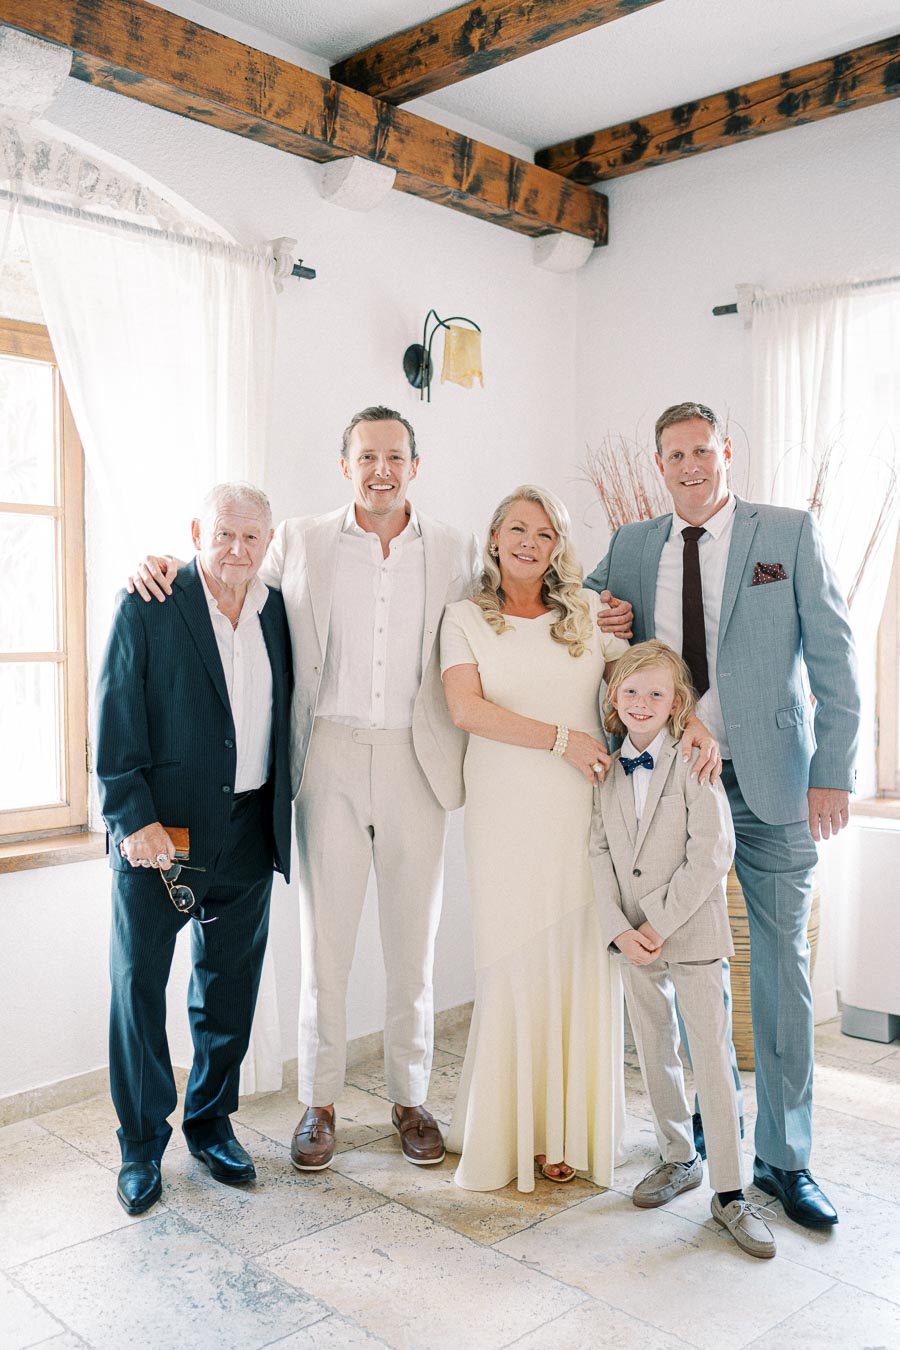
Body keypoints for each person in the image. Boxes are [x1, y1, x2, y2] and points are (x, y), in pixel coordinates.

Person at [128, 408, 491, 1168]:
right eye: (367, 456)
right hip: (324, 752)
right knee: (324, 945)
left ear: (415, 466)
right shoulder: (298, 538)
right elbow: (223, 583)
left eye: (395, 456)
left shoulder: (456, 549)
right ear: (346, 465)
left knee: (412, 945)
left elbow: (509, 608)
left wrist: (599, 606)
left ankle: (409, 1097)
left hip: (415, 759)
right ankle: (318, 1103)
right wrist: (157, 562)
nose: (381, 469)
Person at [585, 402, 860, 1228]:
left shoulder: (789, 533)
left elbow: (838, 657)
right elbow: (588, 605)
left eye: (703, 450)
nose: (691, 466)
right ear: (660, 463)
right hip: (675, 793)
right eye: (676, 455)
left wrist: (833, 771)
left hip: (775, 786)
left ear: (725, 453)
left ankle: (784, 1159)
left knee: (782, 977)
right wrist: (601, 610)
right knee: (681, 974)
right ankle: (699, 1140)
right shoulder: (635, 545)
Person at [440, 487, 716, 1190]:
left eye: (546, 531)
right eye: (518, 529)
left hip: (586, 812)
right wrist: (563, 739)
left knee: (581, 959)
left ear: (559, 544)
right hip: (505, 811)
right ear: (495, 537)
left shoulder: (589, 615)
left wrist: (695, 722)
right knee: (513, 961)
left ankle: (568, 1130)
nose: (531, 542)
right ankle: (513, 1131)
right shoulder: (465, 617)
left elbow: (647, 679)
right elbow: (466, 709)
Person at [96, 483, 293, 1216]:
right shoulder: (148, 601)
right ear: (195, 532)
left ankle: (211, 1124)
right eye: (224, 536)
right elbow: (114, 713)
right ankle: (141, 1145)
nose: (237, 551)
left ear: (268, 542)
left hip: (248, 827)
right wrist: (130, 816)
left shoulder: (279, 612)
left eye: (251, 538)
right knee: (139, 990)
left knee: (228, 988)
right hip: (160, 834)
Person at [592, 641, 776, 1259]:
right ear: (615, 700)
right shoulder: (607, 772)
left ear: (677, 706)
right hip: (632, 942)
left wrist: (660, 922)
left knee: (712, 1059)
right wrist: (620, 928)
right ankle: (677, 1156)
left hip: (689, 933)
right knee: (654, 1049)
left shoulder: (693, 762)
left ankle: (729, 1191)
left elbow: (712, 853)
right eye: (631, 692)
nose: (642, 703)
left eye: (657, 694)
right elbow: (596, 855)